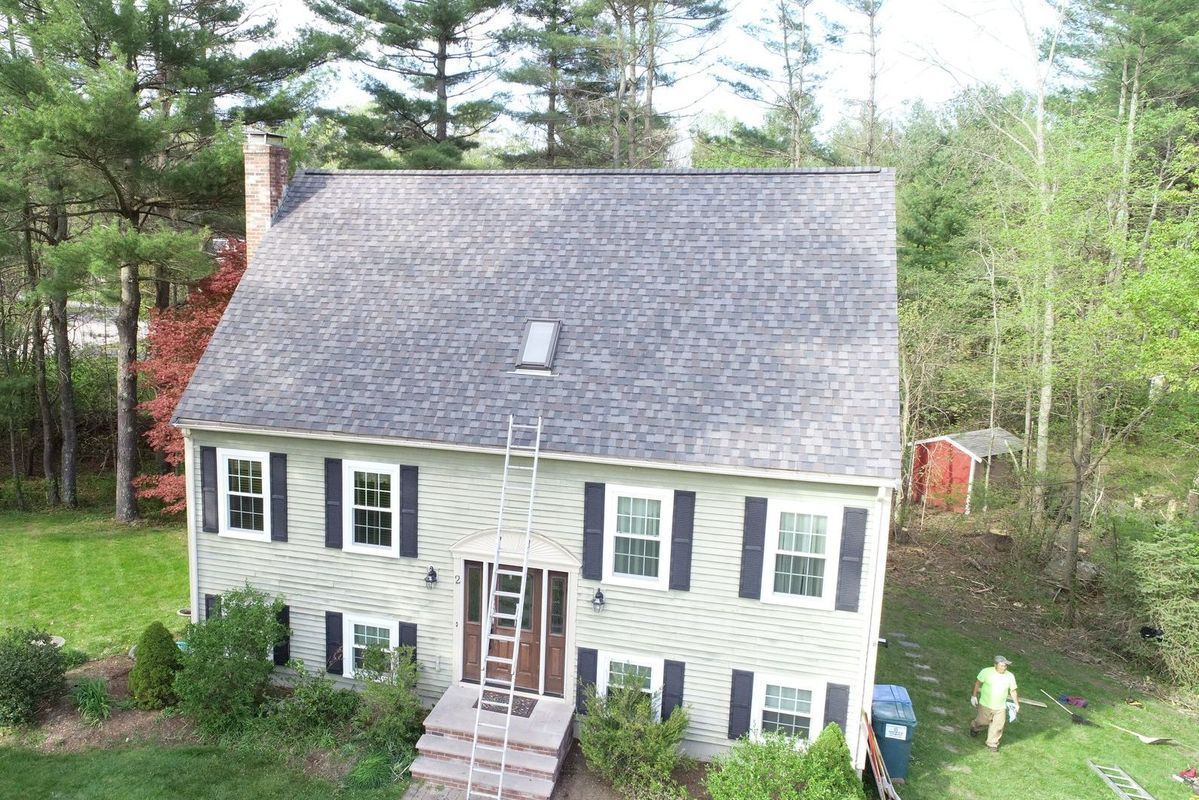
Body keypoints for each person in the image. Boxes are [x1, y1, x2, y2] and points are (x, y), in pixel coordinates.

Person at [970, 655, 1019, 752]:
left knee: (998, 726)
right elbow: (977, 683)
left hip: (1000, 706)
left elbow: (1013, 691)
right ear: (995, 665)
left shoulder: (1010, 676)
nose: (1004, 668)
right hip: (985, 703)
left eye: (1005, 666)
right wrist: (974, 696)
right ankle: (974, 727)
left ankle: (992, 743)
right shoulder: (986, 672)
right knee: (982, 722)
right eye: (1001, 665)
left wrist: (1016, 704)